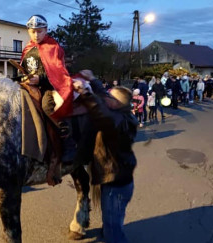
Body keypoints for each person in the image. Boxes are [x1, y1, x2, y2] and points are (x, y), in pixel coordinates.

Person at [74, 85, 137, 243]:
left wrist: (85, 92)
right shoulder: (125, 115)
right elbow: (104, 98)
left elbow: (99, 111)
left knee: (112, 230)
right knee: (116, 218)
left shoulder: (114, 122)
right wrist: (92, 80)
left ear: (116, 104)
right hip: (122, 180)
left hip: (114, 184)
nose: (105, 97)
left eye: (109, 97)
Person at [20, 14, 74, 186]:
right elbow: (25, 70)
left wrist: (40, 80)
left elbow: (56, 71)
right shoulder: (28, 48)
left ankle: (64, 135)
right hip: (30, 88)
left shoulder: (53, 46)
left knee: (47, 105)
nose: (36, 35)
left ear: (46, 30)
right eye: (33, 31)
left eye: (39, 31)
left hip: (49, 87)